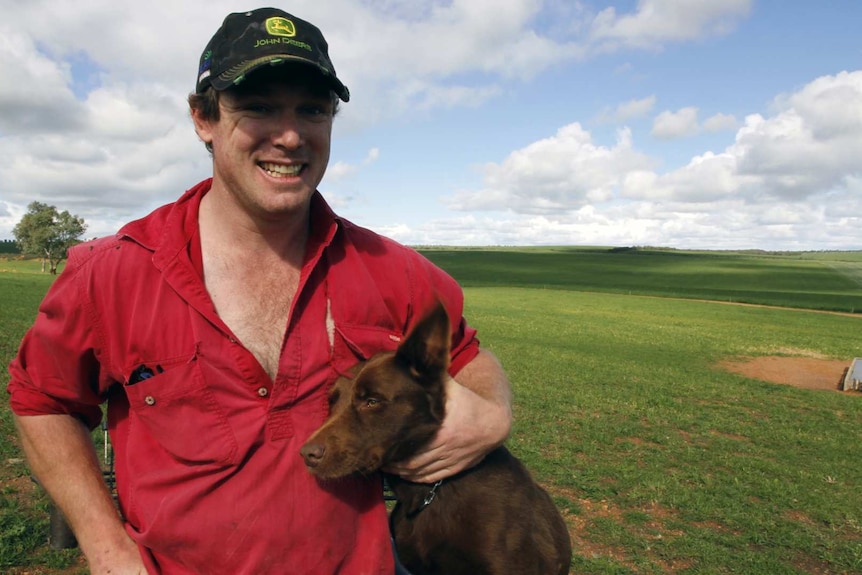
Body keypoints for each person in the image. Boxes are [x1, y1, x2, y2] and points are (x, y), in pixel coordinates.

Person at [7, 7, 512, 575]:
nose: (291, 136)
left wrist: (494, 417)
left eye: (312, 110)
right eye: (260, 107)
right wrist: (107, 549)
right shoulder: (114, 273)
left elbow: (468, 357)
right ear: (204, 117)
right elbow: (43, 401)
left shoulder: (393, 270)